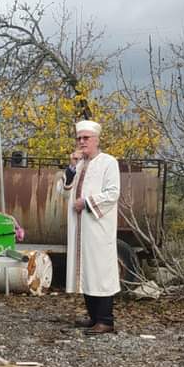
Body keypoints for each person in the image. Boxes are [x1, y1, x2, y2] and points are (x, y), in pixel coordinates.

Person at [62, 119, 121, 334]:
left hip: (98, 227)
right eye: (79, 138)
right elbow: (63, 190)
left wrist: (86, 202)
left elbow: (113, 193)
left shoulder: (108, 162)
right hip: (80, 228)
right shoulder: (79, 164)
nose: (82, 141)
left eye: (86, 138)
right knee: (85, 270)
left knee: (100, 272)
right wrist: (71, 167)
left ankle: (106, 320)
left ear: (96, 139)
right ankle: (94, 317)